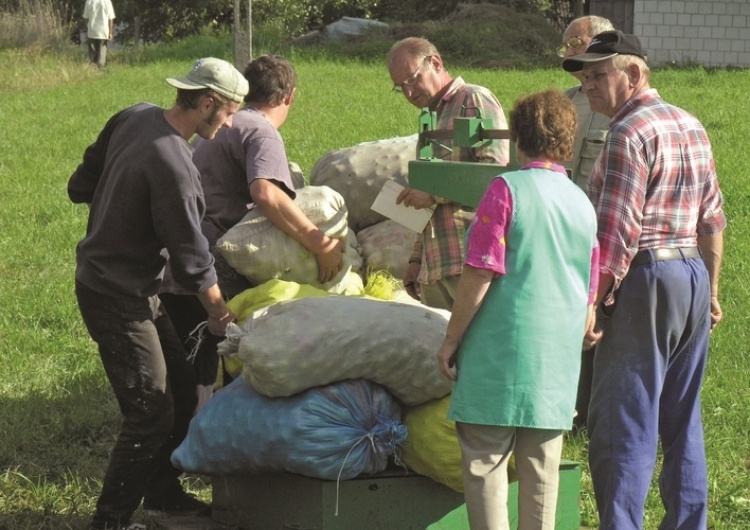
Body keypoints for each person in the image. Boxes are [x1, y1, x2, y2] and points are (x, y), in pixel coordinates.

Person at [68, 57, 248, 530]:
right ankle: (110, 522)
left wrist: (119, 211)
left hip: (128, 282)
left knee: (184, 386)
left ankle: (163, 495)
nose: (228, 123)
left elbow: (82, 181)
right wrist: (218, 315)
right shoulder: (176, 166)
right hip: (115, 294)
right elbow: (192, 259)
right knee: (149, 411)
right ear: (206, 102)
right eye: (228, 112)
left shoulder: (135, 115)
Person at [563, 31, 726, 529]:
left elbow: (615, 233)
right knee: (681, 418)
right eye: (584, 76)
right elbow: (713, 219)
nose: (588, 85)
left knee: (622, 419)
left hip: (645, 275)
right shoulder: (690, 124)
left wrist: (594, 303)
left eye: (598, 74)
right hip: (691, 274)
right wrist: (711, 291)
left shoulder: (627, 133)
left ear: (633, 74)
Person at [437, 88, 599, 530]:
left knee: (485, 461)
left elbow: (480, 272)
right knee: (543, 472)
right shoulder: (581, 201)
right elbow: (590, 286)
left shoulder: (505, 190)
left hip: (500, 352)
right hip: (556, 360)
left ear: (518, 137)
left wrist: (451, 338)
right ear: (568, 140)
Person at [159, 54, 344, 403]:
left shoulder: (218, 128)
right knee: (213, 377)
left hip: (179, 265)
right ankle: (196, 449)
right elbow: (267, 193)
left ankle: (182, 441)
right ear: (289, 96)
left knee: (187, 374)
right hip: (212, 277)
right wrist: (321, 244)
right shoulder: (260, 130)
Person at [387, 37, 509, 311]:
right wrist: (416, 261)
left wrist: (431, 193)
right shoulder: (429, 119)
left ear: (436, 63)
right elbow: (426, 191)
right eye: (400, 87)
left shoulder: (472, 99)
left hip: (471, 264)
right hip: (435, 268)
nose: (407, 93)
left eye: (411, 80)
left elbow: (496, 179)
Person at [558, 14, 614, 433]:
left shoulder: (621, 107)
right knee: (569, 324)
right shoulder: (565, 102)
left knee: (605, 329)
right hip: (565, 235)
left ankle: (601, 414)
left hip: (607, 235)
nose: (568, 52)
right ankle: (573, 410)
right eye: (565, 45)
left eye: (574, 42)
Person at [83, 0, 115, 68]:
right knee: (102, 56)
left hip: (92, 31)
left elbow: (85, 17)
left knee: (92, 55)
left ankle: (93, 71)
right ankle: (100, 70)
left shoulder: (89, 1)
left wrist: (88, 28)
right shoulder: (107, 2)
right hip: (103, 32)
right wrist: (110, 33)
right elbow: (111, 18)